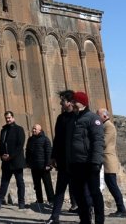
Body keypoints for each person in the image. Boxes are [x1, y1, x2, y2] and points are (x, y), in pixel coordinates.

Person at [67, 91, 104, 224]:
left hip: (89, 163)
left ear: (81, 103)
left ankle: (99, 221)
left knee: (95, 193)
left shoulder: (93, 118)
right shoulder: (73, 119)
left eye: (74, 101)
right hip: (76, 163)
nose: (71, 103)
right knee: (78, 193)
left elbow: (98, 141)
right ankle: (85, 220)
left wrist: (96, 162)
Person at [46, 89, 79, 224]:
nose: (60, 103)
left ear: (70, 102)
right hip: (64, 161)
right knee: (59, 190)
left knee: (82, 190)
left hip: (77, 161)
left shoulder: (79, 117)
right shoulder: (61, 118)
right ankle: (54, 217)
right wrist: (53, 157)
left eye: (63, 101)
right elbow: (57, 139)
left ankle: (86, 216)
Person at [0, 111, 27, 210]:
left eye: (9, 117)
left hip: (16, 161)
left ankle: (21, 203)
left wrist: (11, 156)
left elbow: (20, 146)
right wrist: (2, 156)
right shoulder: (4, 130)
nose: (8, 119)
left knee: (20, 182)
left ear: (13, 118)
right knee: (4, 182)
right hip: (6, 162)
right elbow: (1, 145)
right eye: (6, 118)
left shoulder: (19, 129)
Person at [97, 108, 126, 218]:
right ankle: (121, 209)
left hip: (108, 159)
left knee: (113, 185)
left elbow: (104, 142)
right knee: (111, 185)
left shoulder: (109, 126)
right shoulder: (105, 125)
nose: (97, 117)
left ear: (104, 116)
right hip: (106, 159)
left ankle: (122, 210)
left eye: (98, 115)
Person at [26, 123, 54, 209]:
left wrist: (48, 164)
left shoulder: (45, 139)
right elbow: (27, 151)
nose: (33, 130)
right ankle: (39, 200)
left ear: (40, 130)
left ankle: (52, 201)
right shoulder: (30, 139)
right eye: (33, 129)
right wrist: (28, 162)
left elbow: (49, 152)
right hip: (34, 166)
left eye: (35, 129)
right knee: (36, 185)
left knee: (47, 184)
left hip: (44, 166)